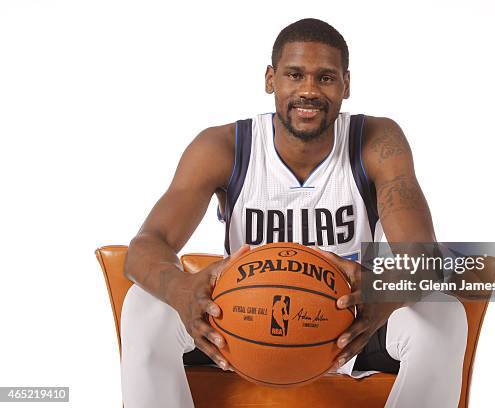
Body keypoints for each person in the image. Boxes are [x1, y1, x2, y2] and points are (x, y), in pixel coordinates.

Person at [120, 18, 468, 408]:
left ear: (346, 85)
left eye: (325, 78)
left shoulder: (375, 141)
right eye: (294, 74)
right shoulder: (223, 147)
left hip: (347, 327)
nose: (308, 90)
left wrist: (380, 291)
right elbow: (145, 247)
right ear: (271, 79)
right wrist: (179, 289)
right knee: (142, 305)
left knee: (444, 313)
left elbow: (423, 259)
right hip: (242, 326)